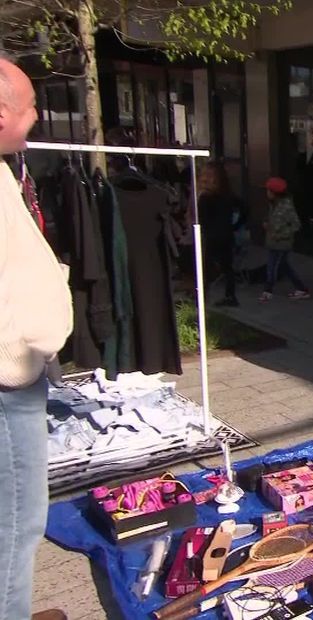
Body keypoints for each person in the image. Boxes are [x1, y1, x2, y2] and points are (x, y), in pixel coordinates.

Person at [0, 56, 75, 620]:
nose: (38, 116)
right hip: (6, 380)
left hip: (16, 372)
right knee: (17, 521)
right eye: (30, 107)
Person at [198, 161, 247, 306]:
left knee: (205, 267)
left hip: (212, 236)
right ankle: (230, 296)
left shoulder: (206, 197)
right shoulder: (228, 195)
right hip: (226, 234)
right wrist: (236, 225)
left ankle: (204, 296)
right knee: (228, 267)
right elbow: (245, 208)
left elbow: (202, 219)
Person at [260, 177, 311, 301]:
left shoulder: (286, 206)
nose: (267, 193)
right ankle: (301, 289)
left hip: (282, 243)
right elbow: (273, 219)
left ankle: (268, 290)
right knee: (283, 266)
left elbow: (296, 225)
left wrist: (281, 234)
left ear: (275, 193)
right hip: (273, 241)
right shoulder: (273, 205)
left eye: (268, 191)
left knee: (273, 266)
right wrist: (267, 223)